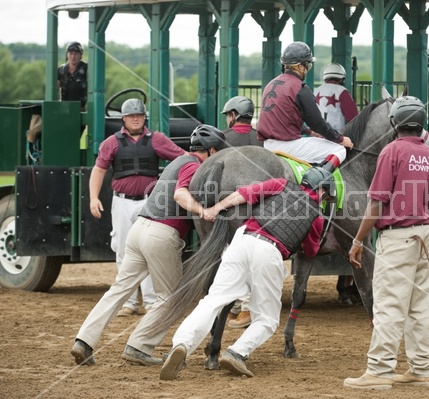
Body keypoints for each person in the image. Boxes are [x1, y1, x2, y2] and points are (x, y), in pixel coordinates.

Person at [71, 125, 226, 367]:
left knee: (118, 290)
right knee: (171, 297)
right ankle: (139, 346)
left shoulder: (178, 161)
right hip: (161, 234)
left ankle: (83, 340)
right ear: (213, 150)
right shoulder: (193, 166)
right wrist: (203, 210)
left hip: (139, 229)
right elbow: (180, 195)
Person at [159, 167, 334, 380]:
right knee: (267, 319)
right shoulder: (316, 216)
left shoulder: (280, 183)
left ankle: (181, 344)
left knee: (212, 301)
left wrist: (216, 208)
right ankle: (237, 352)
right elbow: (310, 251)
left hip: (242, 240)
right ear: (323, 191)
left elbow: (241, 194)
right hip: (270, 252)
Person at [343, 96, 429, 390]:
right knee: (420, 308)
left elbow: (376, 203)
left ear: (394, 123)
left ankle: (379, 371)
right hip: (425, 235)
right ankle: (421, 369)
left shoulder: (391, 151)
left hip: (397, 237)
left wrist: (358, 239)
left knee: (388, 305)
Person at [89, 98, 185, 317]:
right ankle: (129, 302)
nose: (135, 119)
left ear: (144, 118)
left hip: (148, 202)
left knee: (150, 250)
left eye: (139, 115)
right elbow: (99, 170)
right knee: (123, 250)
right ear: (123, 119)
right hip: (121, 202)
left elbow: (182, 158)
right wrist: (94, 198)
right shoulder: (112, 142)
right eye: (131, 116)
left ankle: (151, 302)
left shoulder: (156, 139)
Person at [257, 41, 353, 174]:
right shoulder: (300, 88)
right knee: (339, 149)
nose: (308, 69)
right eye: (307, 65)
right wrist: (341, 139)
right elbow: (318, 124)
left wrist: (309, 132)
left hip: (267, 144)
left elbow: (284, 117)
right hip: (288, 145)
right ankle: (318, 184)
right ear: (300, 67)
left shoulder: (271, 84)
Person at [313, 62, 360, 304]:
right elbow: (355, 123)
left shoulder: (314, 91)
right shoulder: (343, 93)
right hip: (336, 147)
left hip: (313, 148)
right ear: (342, 79)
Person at [220, 95, 262, 328]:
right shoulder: (262, 139)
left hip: (230, 205)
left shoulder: (222, 138)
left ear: (234, 115)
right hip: (261, 205)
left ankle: (242, 306)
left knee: (232, 257)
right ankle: (241, 306)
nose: (227, 119)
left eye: (228, 115)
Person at [314, 63, 359, 131]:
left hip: (316, 132)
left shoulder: (316, 90)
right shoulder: (342, 91)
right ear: (342, 79)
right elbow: (352, 116)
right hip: (336, 134)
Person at [57, 41, 88, 111]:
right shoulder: (61, 70)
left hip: (80, 109)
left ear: (80, 55)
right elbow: (55, 88)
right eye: (71, 53)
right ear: (67, 55)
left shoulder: (86, 69)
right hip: (63, 108)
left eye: (76, 54)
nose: (73, 56)